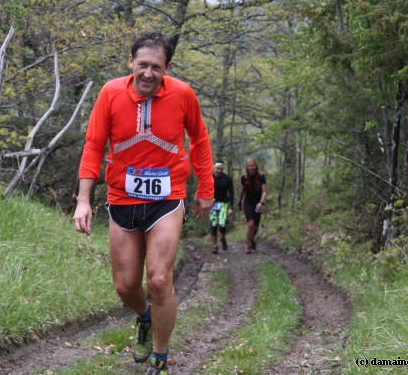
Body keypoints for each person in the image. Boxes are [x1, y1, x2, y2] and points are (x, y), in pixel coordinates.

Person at [73, 30, 214, 375]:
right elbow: (94, 146)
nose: (149, 73)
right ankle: (145, 318)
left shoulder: (183, 94)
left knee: (160, 279)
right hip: (122, 198)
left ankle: (161, 358)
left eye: (157, 67)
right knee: (125, 286)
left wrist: (206, 188)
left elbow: (199, 139)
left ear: (167, 68)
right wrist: (83, 199)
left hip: (167, 198)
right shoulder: (110, 93)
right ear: (131, 63)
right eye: (143, 65)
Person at [237, 158, 267, 254]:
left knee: (256, 227)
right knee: (250, 224)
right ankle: (248, 245)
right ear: (246, 167)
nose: (251, 167)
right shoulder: (244, 178)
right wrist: (239, 201)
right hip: (248, 203)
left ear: (256, 166)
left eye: (252, 165)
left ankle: (252, 239)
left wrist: (261, 202)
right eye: (249, 166)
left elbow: (264, 191)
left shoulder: (261, 177)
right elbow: (242, 190)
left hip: (258, 204)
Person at [209, 159, 234, 254]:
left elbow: (231, 193)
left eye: (221, 168)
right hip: (212, 204)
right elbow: (206, 191)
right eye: (217, 168)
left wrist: (231, 207)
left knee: (222, 225)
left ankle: (223, 238)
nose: (219, 170)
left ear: (223, 168)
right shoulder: (210, 178)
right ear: (215, 168)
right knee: (214, 225)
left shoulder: (227, 178)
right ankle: (214, 246)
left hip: (223, 204)